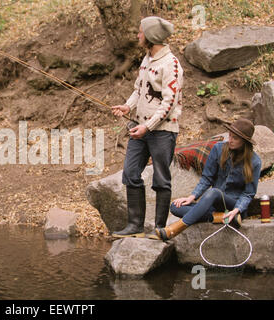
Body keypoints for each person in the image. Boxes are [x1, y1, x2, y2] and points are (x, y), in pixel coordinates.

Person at [111, 16, 184, 239]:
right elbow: (138, 90)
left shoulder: (171, 64)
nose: (138, 35)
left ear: (151, 36)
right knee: (131, 172)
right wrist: (127, 106)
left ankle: (160, 229)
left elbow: (169, 102)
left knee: (161, 179)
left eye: (141, 32)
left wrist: (148, 127)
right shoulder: (146, 59)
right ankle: (135, 226)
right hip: (140, 128)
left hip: (162, 131)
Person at [156, 118, 262, 241]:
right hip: (214, 206)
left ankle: (174, 229)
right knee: (175, 206)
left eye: (235, 138)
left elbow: (248, 193)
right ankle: (218, 217)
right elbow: (207, 178)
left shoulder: (255, 161)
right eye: (230, 136)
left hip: (234, 206)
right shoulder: (218, 149)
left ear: (244, 141)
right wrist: (191, 197)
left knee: (214, 192)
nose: (230, 140)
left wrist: (236, 210)